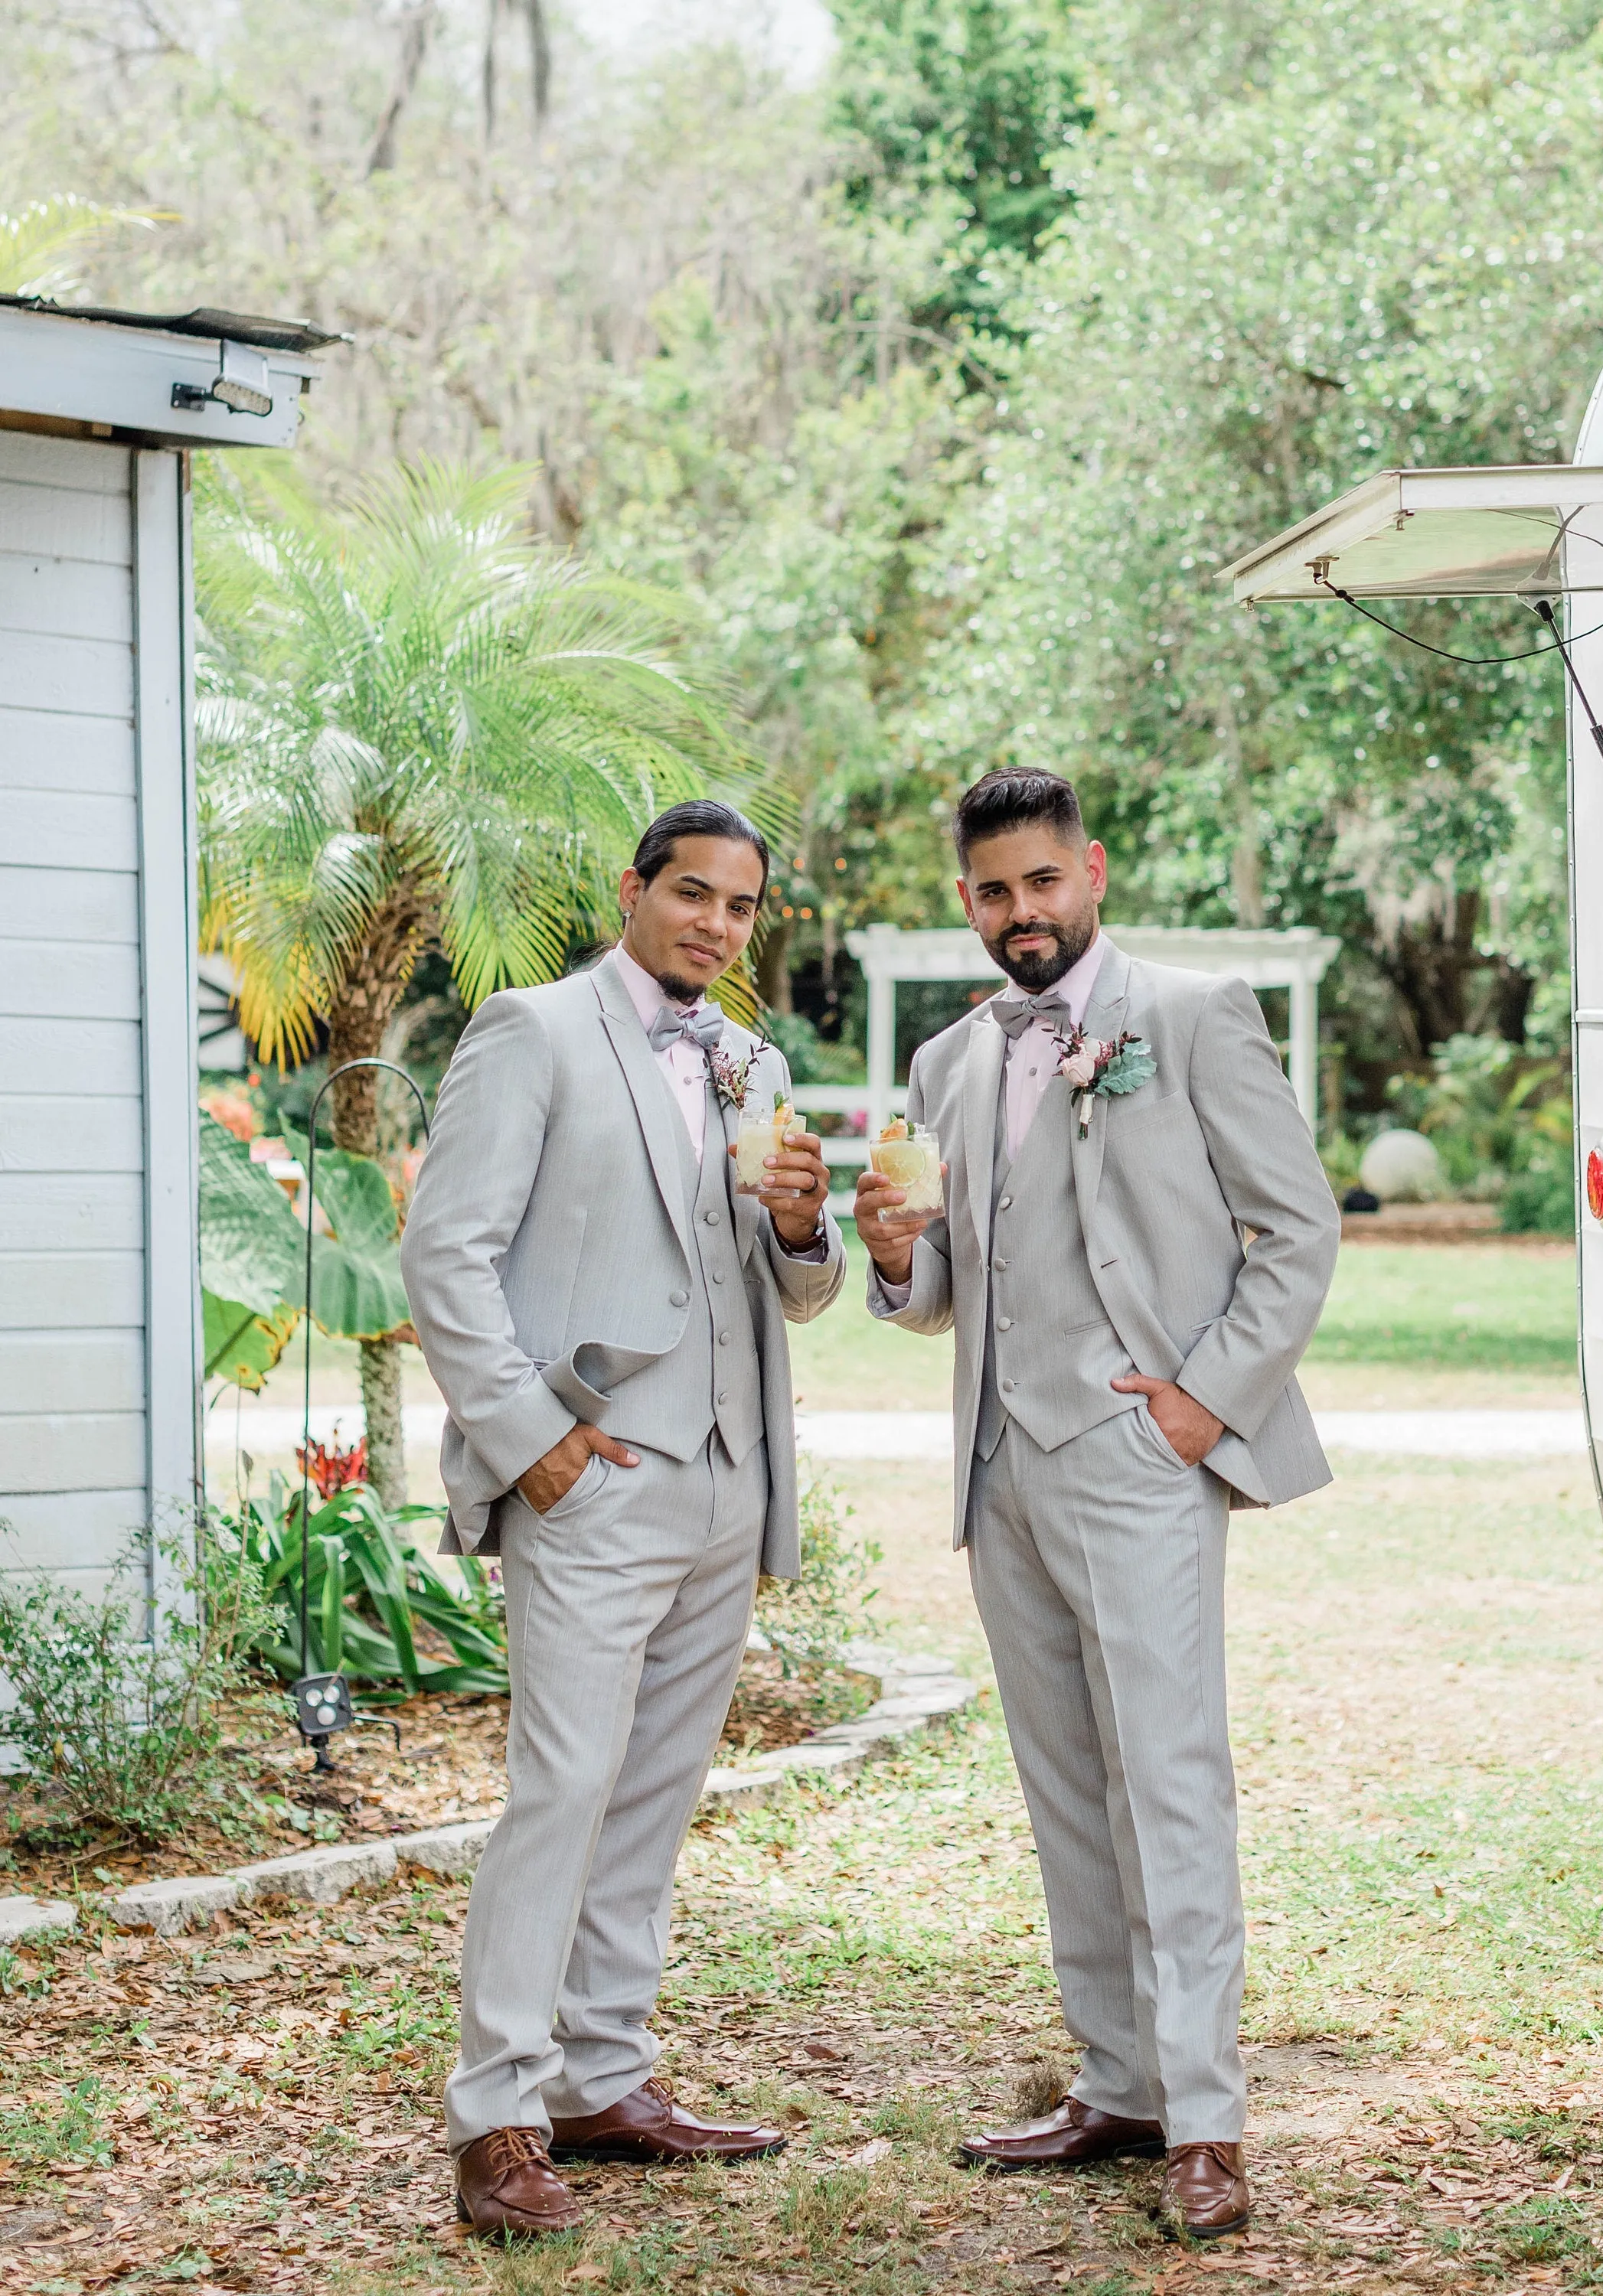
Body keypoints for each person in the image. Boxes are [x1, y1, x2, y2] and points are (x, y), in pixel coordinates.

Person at [854, 768, 1339, 2239]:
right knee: (1066, 1783)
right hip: (1002, 1468)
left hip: (1139, 1456)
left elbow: (1297, 1228)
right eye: (994, 894)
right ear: (967, 904)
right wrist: (890, 1254)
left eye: (1043, 885)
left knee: (1169, 1779)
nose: (1022, 916)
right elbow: (944, 1294)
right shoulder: (947, 1063)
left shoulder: (1193, 1017)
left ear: (1094, 873)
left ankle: (1206, 2117)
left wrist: (1203, 1401)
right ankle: (1117, 2081)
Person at [402, 798, 846, 2238]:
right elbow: (447, 1253)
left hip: (727, 1483)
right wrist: (531, 1443)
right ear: (633, 890)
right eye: (693, 895)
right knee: (564, 1787)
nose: (715, 925)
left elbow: (798, 1290)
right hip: (593, 1482)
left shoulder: (752, 1061)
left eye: (739, 907)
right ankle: (497, 2115)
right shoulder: (532, 1031)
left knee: (655, 1794)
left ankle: (602, 2075)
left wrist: (798, 1224)